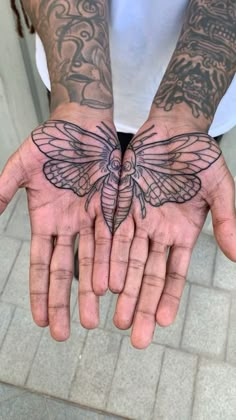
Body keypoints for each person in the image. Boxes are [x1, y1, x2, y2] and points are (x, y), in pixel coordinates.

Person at [2, 0, 236, 349]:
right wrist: (79, 101)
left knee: (136, 212)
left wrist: (185, 116)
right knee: (82, 212)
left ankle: (106, 251)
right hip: (74, 89)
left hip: (198, 109)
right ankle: (96, 246)